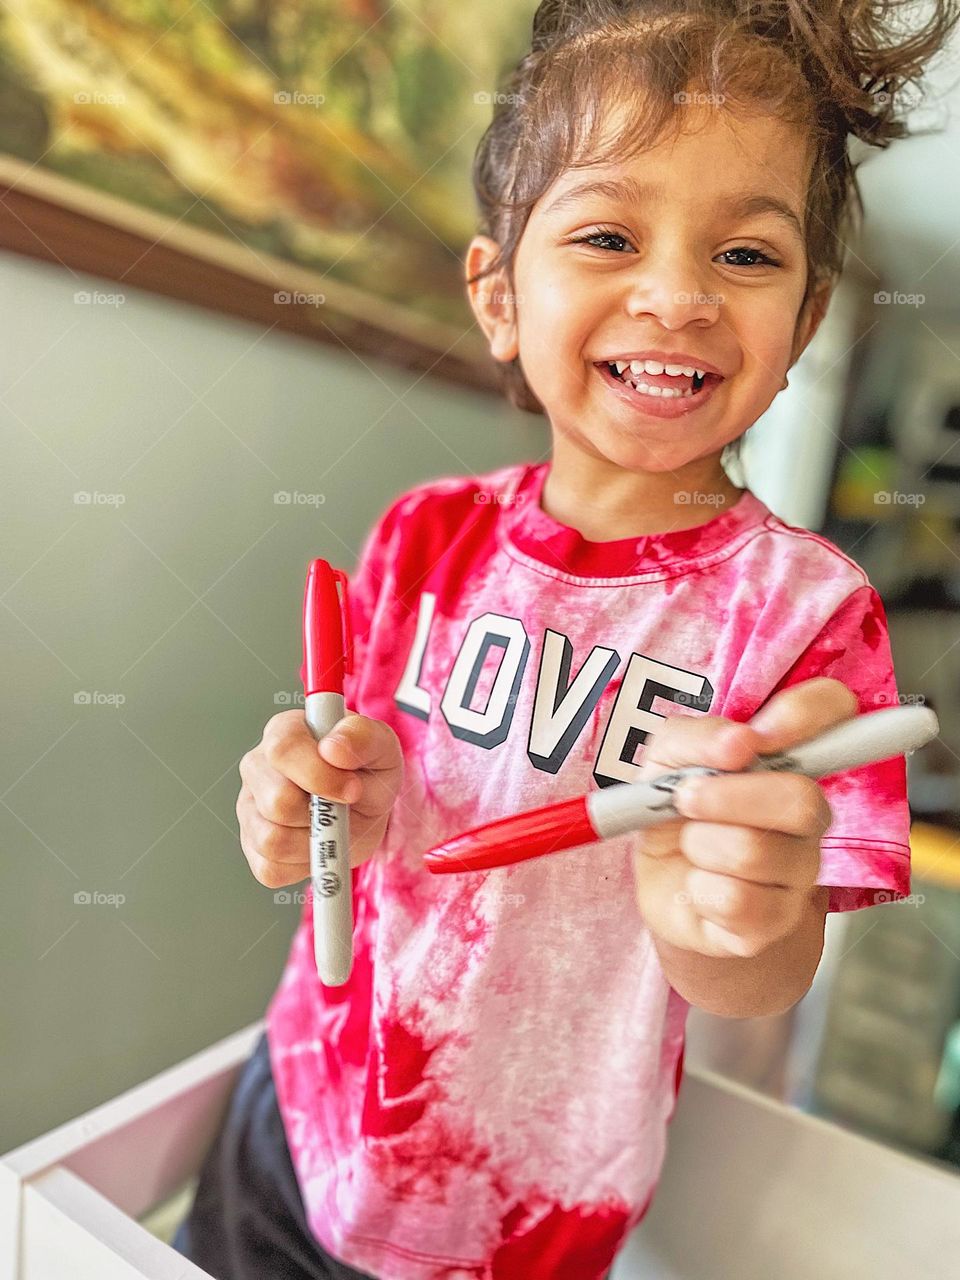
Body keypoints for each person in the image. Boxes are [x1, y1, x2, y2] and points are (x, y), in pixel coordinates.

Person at [172, 1, 960, 1276]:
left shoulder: (813, 619)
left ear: (806, 324)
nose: (676, 294)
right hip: (299, 1115)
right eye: (607, 233)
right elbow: (356, 812)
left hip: (528, 1214)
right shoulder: (423, 535)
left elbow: (757, 978)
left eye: (748, 257)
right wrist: (305, 806)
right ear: (498, 292)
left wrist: (733, 917)